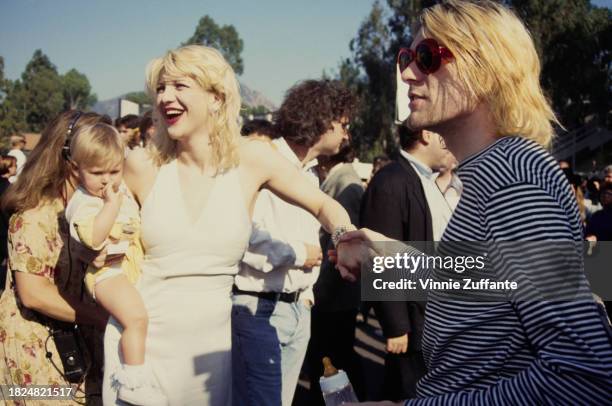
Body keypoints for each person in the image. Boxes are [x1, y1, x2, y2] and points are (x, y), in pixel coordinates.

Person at [338, 1, 612, 404]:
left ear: (486, 71)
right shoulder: (496, 172)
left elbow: (580, 375)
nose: (408, 72)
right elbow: (492, 284)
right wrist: (386, 258)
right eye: (406, 57)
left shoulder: (513, 178)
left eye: (428, 57)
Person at [102, 45, 357, 405]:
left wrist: (344, 237)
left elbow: (324, 204)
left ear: (217, 98)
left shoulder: (251, 160)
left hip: (212, 352)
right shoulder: (141, 165)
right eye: (160, 88)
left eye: (179, 86)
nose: (165, 98)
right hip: (142, 348)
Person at [232, 79, 357, 406]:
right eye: (343, 125)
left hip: (297, 309)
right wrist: (299, 254)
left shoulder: (311, 173)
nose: (347, 134)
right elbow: (240, 234)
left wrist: (306, 296)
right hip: (258, 308)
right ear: (321, 119)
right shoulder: (263, 160)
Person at [0, 111, 110, 406]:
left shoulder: (93, 209)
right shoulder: (35, 215)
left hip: (78, 343)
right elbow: (34, 293)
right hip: (35, 349)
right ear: (68, 157)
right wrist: (103, 318)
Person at [64, 122, 164, 405]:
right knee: (136, 319)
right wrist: (111, 205)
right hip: (107, 275)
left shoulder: (121, 192)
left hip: (126, 270)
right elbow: (93, 239)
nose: (107, 181)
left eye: (114, 171)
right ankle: (134, 381)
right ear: (76, 171)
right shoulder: (85, 203)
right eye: (97, 173)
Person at [360, 126, 451, 401]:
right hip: (412, 324)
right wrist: (396, 324)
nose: (451, 145)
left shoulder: (423, 179)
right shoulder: (391, 181)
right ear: (427, 135)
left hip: (432, 317)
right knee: (408, 394)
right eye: (444, 137)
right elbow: (380, 257)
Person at [307, 143, 365, 405]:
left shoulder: (346, 182)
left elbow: (341, 243)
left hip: (335, 294)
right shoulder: (336, 178)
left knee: (334, 359)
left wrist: (319, 290)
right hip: (334, 292)